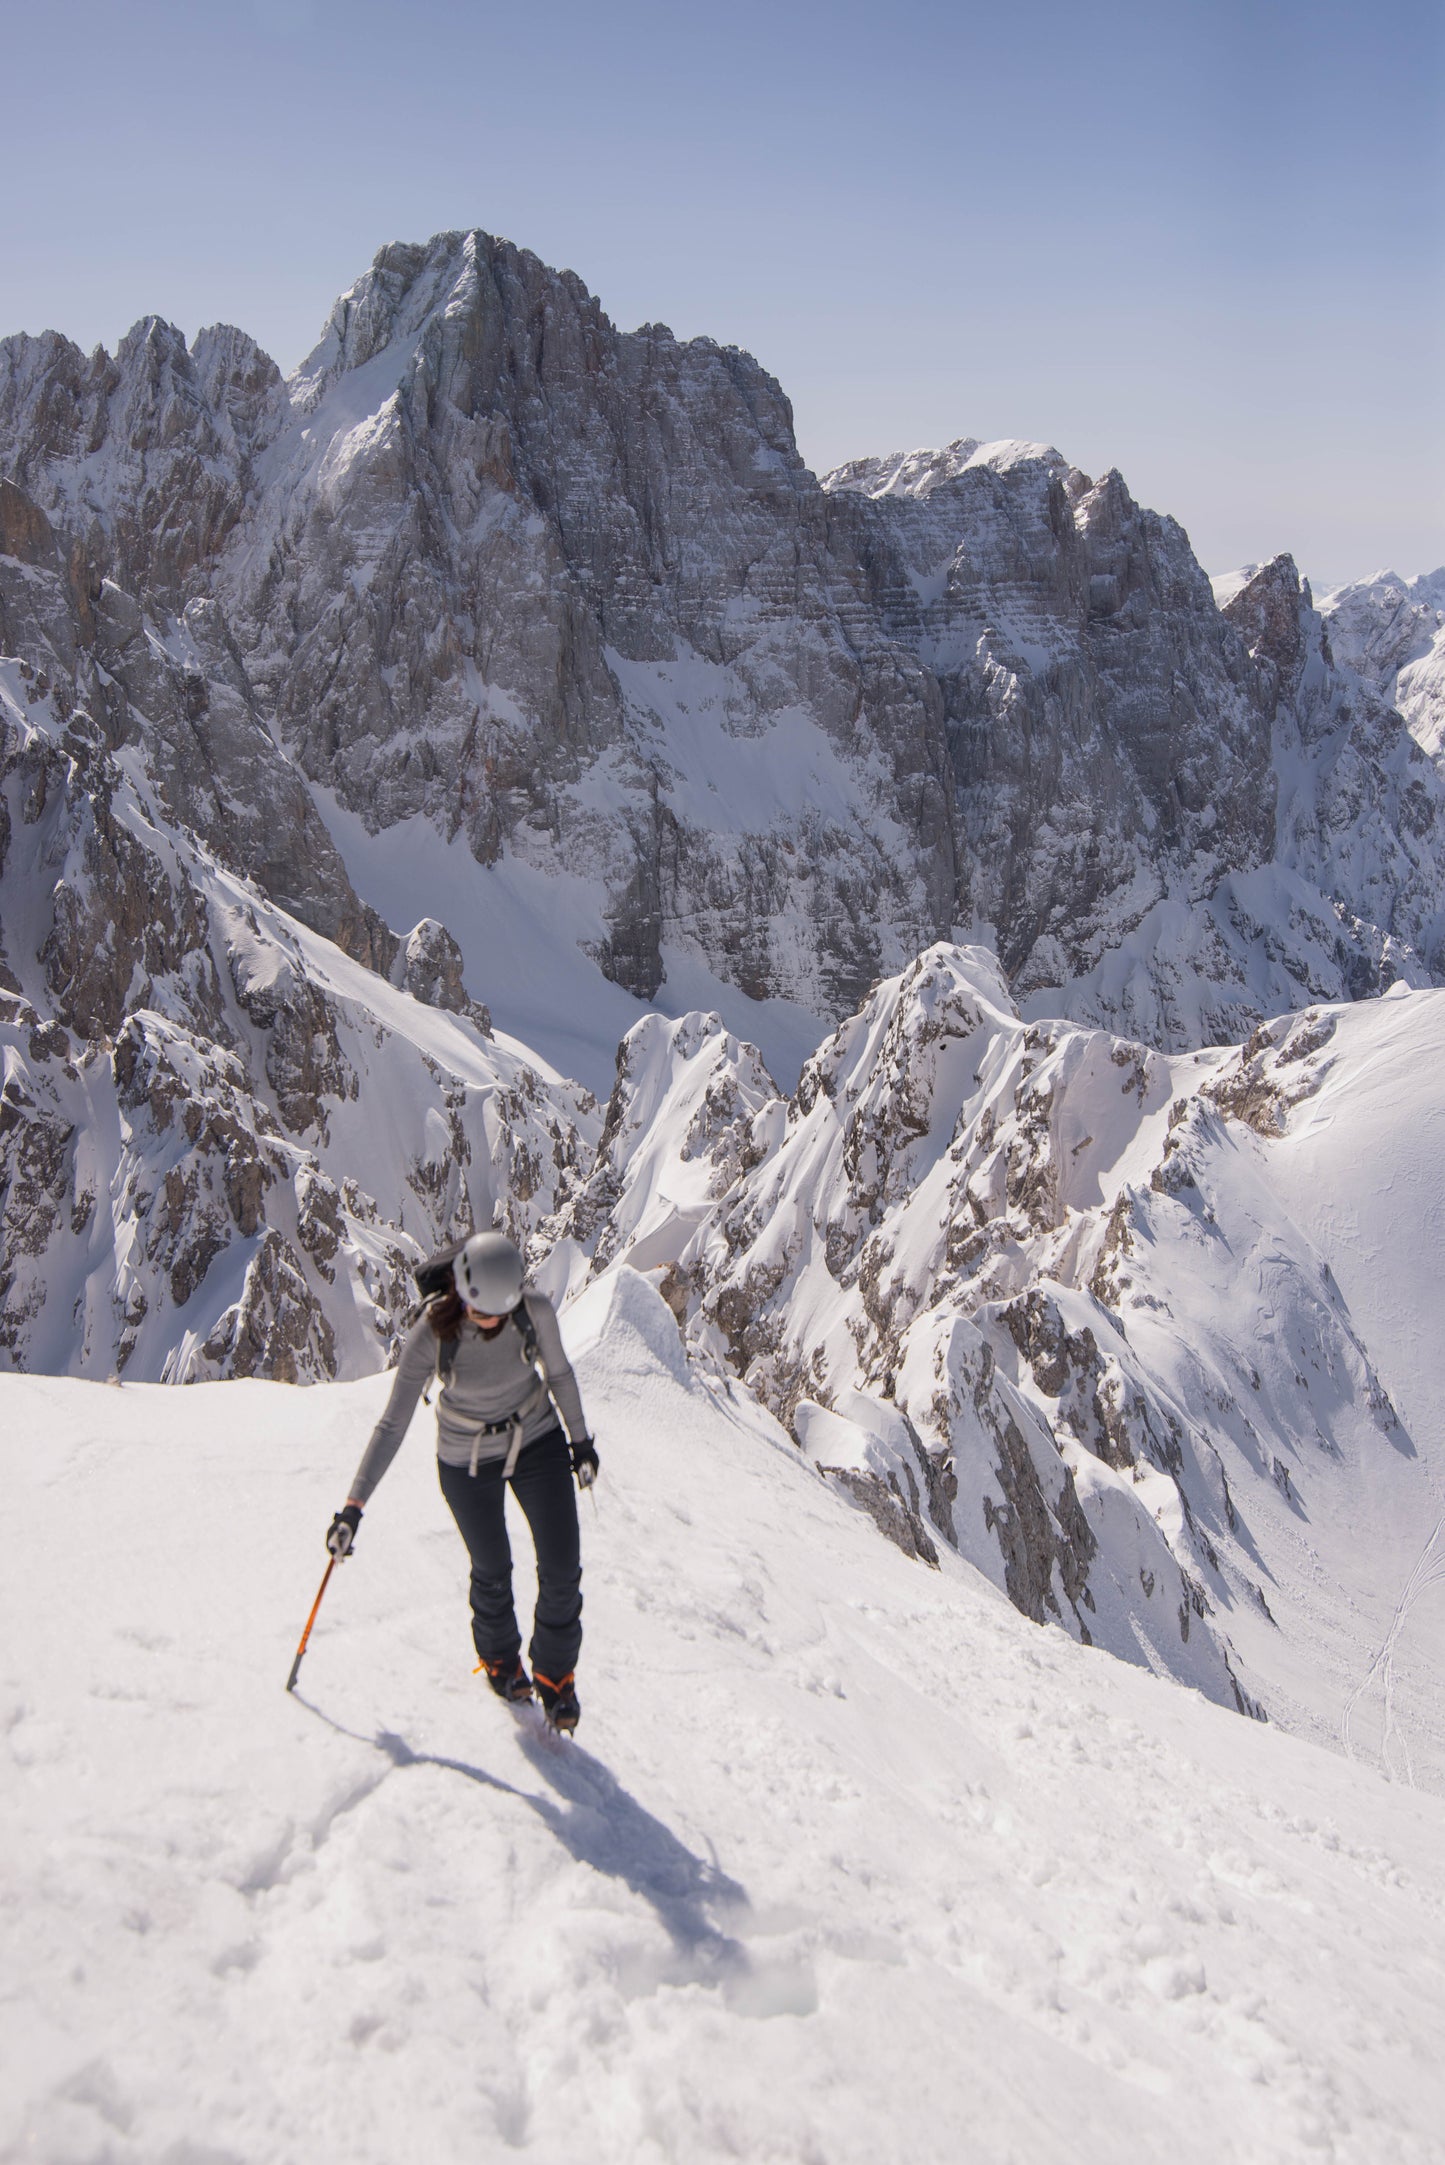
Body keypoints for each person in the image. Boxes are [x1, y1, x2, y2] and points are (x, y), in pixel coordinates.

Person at [325, 1232, 599, 1732]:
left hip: (536, 1438)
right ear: (462, 1293)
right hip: (466, 1458)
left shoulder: (532, 1311)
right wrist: (353, 1507)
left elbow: (559, 1374)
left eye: (500, 1312)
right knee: (492, 1569)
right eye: (480, 1311)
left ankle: (555, 1676)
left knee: (562, 1567)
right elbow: (392, 1425)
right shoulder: (432, 1333)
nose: (490, 1321)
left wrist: (580, 1443)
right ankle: (501, 1662)